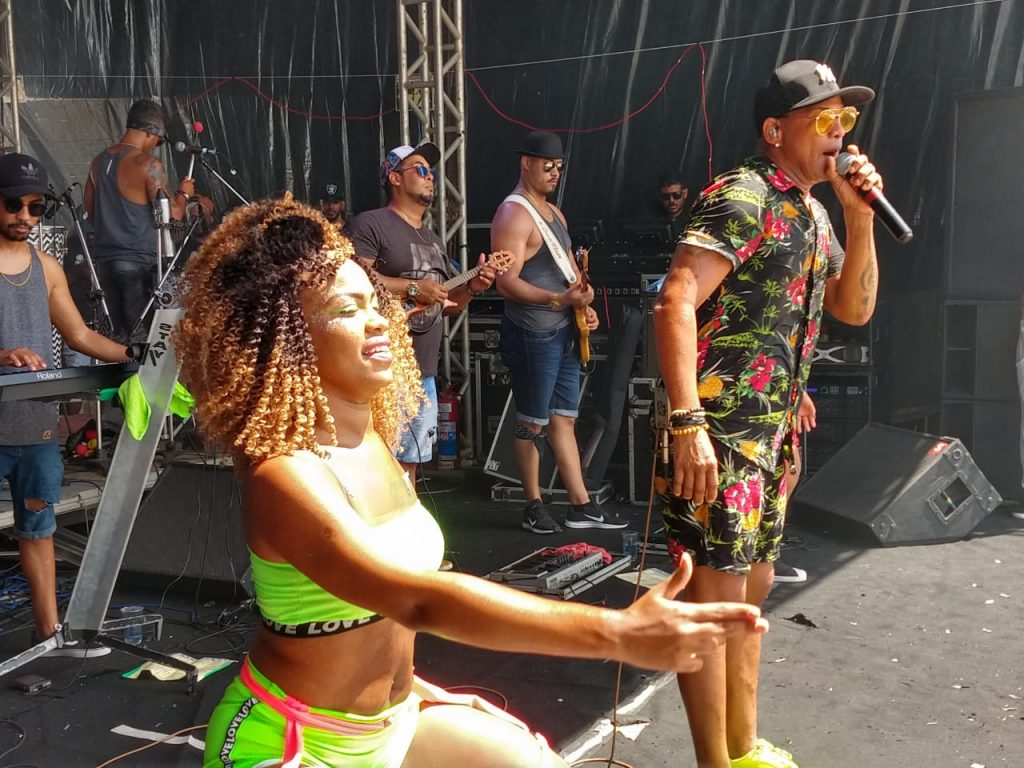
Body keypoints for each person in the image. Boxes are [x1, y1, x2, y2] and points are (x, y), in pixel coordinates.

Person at [176, 196, 769, 768]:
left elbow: (384, 626)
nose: (378, 320)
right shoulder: (286, 475)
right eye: (344, 310)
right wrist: (616, 631)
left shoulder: (375, 444)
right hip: (293, 741)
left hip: (393, 724)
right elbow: (416, 599)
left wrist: (422, 693)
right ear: (286, 342)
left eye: (373, 301)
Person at [654, 59, 883, 768]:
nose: (839, 132)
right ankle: (715, 762)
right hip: (721, 435)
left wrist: (859, 216)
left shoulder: (813, 211)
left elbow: (853, 308)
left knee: (749, 606)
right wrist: (687, 423)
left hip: (772, 438)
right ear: (776, 131)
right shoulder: (743, 195)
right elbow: (676, 301)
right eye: (824, 119)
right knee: (712, 609)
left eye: (846, 119)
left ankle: (744, 748)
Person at [0, 152, 132, 656]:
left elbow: (80, 335)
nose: (26, 217)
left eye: (36, 208)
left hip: (35, 426)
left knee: (39, 529)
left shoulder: (47, 267)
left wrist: (141, 356)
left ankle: (48, 634)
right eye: (15, 204)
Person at [490, 130, 625, 535]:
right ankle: (533, 504)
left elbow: (571, 275)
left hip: (564, 330)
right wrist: (557, 300)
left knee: (564, 418)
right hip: (533, 334)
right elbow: (505, 283)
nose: (554, 173)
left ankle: (581, 505)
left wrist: (583, 303)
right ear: (526, 163)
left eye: (560, 167)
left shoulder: (555, 215)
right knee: (530, 422)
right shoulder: (513, 214)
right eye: (548, 166)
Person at [348, 143, 494, 485]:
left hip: (423, 371)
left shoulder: (434, 240)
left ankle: (406, 519)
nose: (431, 178)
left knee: (409, 468)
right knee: (378, 466)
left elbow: (445, 304)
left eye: (433, 172)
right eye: (422, 170)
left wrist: (474, 287)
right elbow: (355, 279)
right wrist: (414, 288)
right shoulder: (371, 224)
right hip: (383, 367)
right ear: (395, 178)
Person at [84, 99, 195, 343]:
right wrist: (184, 193)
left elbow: (91, 214)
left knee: (113, 341)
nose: (156, 146)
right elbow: (172, 214)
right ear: (150, 132)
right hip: (139, 265)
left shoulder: (98, 162)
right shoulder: (148, 165)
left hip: (104, 265)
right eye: (159, 140)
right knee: (143, 342)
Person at [657, 171, 690, 243]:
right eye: (665, 196)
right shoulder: (653, 221)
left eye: (676, 195)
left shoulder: (694, 220)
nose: (671, 201)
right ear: (660, 196)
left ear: (685, 193)